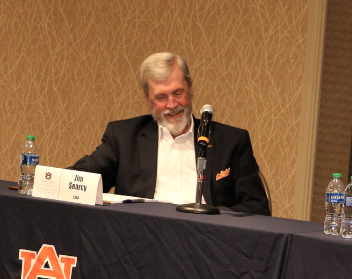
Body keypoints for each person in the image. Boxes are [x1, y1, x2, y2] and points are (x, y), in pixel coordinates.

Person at [70, 52, 271, 215]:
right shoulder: (123, 137)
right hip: (140, 243)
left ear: (191, 88)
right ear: (148, 100)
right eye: (161, 97)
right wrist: (49, 181)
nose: (172, 105)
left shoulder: (231, 141)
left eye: (178, 93)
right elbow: (82, 180)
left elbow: (256, 208)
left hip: (208, 245)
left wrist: (212, 217)